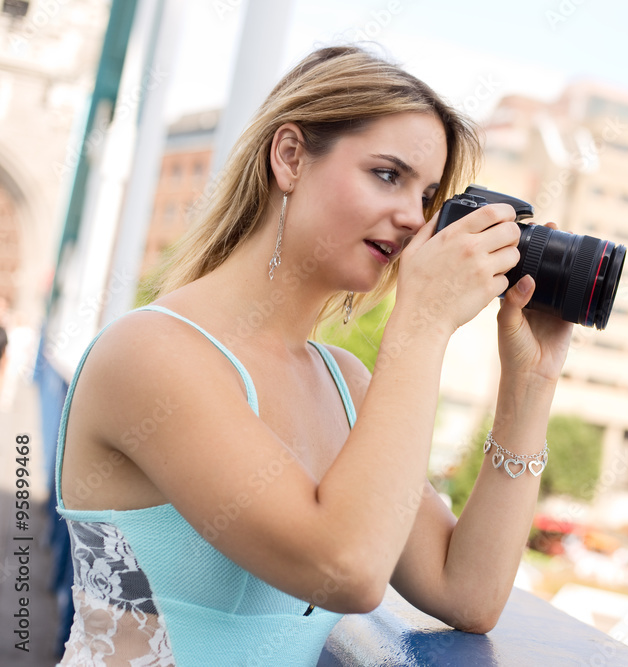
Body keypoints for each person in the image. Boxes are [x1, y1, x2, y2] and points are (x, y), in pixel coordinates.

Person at [55, 46, 573, 666]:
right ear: (291, 157)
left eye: (429, 195)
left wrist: (531, 382)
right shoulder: (151, 354)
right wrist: (423, 323)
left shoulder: (346, 384)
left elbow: (468, 592)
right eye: (388, 175)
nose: (413, 218)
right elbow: (347, 569)